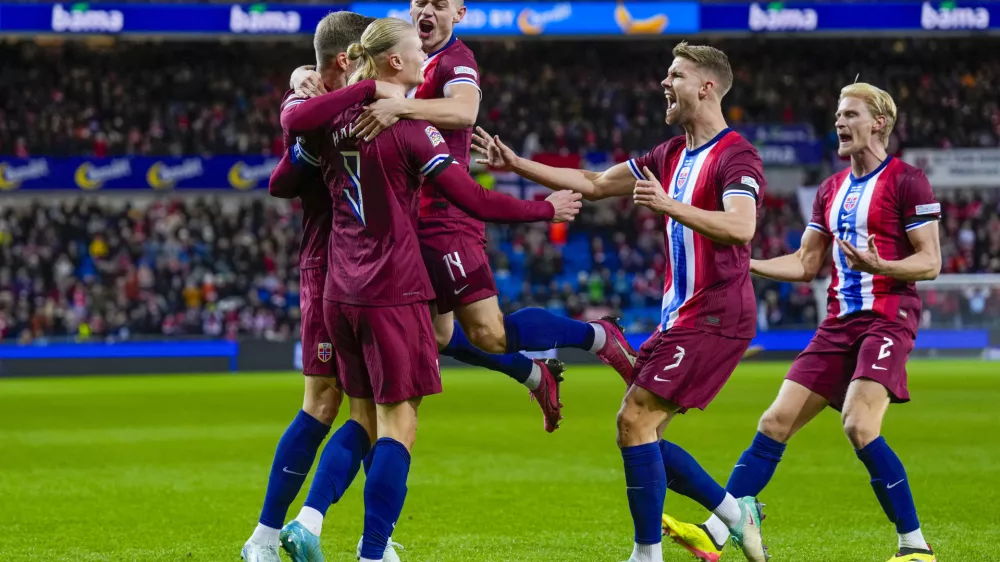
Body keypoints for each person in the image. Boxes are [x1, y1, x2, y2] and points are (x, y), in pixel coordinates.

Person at [280, 17, 581, 562]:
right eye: (416, 50)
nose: (425, 59)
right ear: (394, 61)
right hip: (392, 287)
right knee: (400, 423)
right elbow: (476, 200)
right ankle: (373, 552)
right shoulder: (411, 128)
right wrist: (544, 208)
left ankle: (307, 521)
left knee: (362, 417)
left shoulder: (330, 120)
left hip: (339, 291)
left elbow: (283, 174)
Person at [473, 42, 770, 562]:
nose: (664, 83)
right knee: (642, 433)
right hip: (682, 314)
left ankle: (646, 553)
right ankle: (733, 512)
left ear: (705, 87)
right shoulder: (669, 154)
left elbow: (742, 227)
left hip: (719, 313)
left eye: (675, 74)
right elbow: (593, 182)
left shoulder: (736, 154)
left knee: (633, 421)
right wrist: (517, 163)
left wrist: (668, 204)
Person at [661, 83, 941, 562]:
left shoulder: (908, 181)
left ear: (878, 122)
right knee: (774, 421)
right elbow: (806, 263)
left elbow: (931, 262)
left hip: (888, 318)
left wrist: (883, 268)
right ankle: (715, 533)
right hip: (837, 324)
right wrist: (746, 262)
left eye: (850, 113)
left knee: (858, 424)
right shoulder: (830, 190)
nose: (839, 121)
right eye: (837, 113)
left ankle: (914, 547)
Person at [348, 0, 638, 434]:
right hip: (410, 219)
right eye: (420, 2)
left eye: (439, 4)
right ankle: (533, 374)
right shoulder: (405, 61)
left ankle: (597, 337)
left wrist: (401, 108)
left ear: (458, 14)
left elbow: (465, 112)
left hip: (447, 217)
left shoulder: (456, 60)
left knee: (489, 334)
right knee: (441, 336)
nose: (427, 10)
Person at [241, 12, 398, 562]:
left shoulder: (358, 102)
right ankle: (264, 536)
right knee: (325, 402)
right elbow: (282, 180)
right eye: (361, 58)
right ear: (344, 60)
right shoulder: (304, 103)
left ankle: (373, 537)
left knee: (376, 409)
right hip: (327, 268)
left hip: (373, 271)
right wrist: (300, 85)